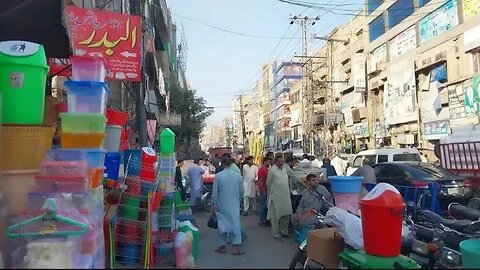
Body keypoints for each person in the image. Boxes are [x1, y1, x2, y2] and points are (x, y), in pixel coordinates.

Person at [212, 155, 245, 255]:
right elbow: (242, 190)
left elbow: (214, 192)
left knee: (222, 224)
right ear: (231, 163)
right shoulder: (237, 176)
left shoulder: (218, 176)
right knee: (235, 224)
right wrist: (238, 199)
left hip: (221, 203)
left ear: (222, 164)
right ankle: (235, 248)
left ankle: (222, 246)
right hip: (234, 203)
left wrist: (214, 204)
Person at [267, 156, 293, 241]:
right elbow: (268, 184)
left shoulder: (285, 169)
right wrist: (274, 192)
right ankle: (276, 234)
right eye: (279, 161)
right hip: (275, 197)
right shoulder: (272, 170)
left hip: (285, 196)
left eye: (282, 161)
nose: (281, 163)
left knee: (286, 214)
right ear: (275, 162)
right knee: (275, 216)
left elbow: (294, 177)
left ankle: (284, 232)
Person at [256, 157, 271, 227]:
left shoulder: (267, 169)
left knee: (265, 206)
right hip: (263, 190)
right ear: (264, 162)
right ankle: (261, 220)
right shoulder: (262, 170)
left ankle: (264, 220)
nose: (269, 163)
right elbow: (260, 180)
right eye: (268, 162)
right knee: (263, 206)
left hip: (266, 190)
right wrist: (263, 190)